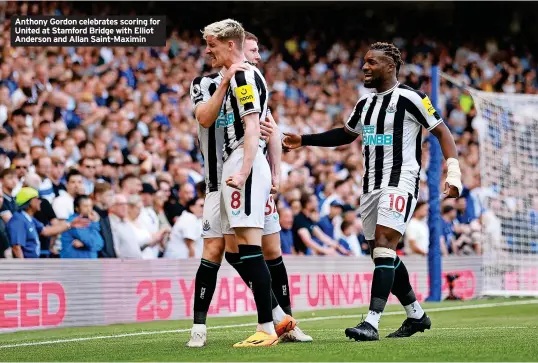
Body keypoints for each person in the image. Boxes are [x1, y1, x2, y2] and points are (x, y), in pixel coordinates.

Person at [283, 42, 462, 341]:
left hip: (401, 181)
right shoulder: (364, 105)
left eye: (372, 62)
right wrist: (304, 139)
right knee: (382, 253)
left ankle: (372, 322)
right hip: (370, 187)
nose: (365, 67)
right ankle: (416, 315)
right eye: (364, 62)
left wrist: (453, 172)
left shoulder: (412, 98)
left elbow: (441, 130)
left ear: (390, 67)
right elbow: (345, 134)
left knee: (383, 245)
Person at [186, 24, 305, 348]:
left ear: (229, 45)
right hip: (222, 176)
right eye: (252, 50)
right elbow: (206, 118)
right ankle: (273, 320)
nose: (207, 51)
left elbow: (258, 128)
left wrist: (253, 171)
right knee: (237, 248)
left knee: (258, 249)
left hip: (242, 169)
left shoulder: (246, 77)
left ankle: (271, 325)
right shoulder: (209, 82)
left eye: (212, 45)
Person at [7, 187, 89, 259]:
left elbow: (46, 231)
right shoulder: (18, 220)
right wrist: (22, 268)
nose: (40, 201)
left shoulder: (29, 219)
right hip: (26, 268)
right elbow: (16, 247)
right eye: (37, 199)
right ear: (30, 202)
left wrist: (70, 224)